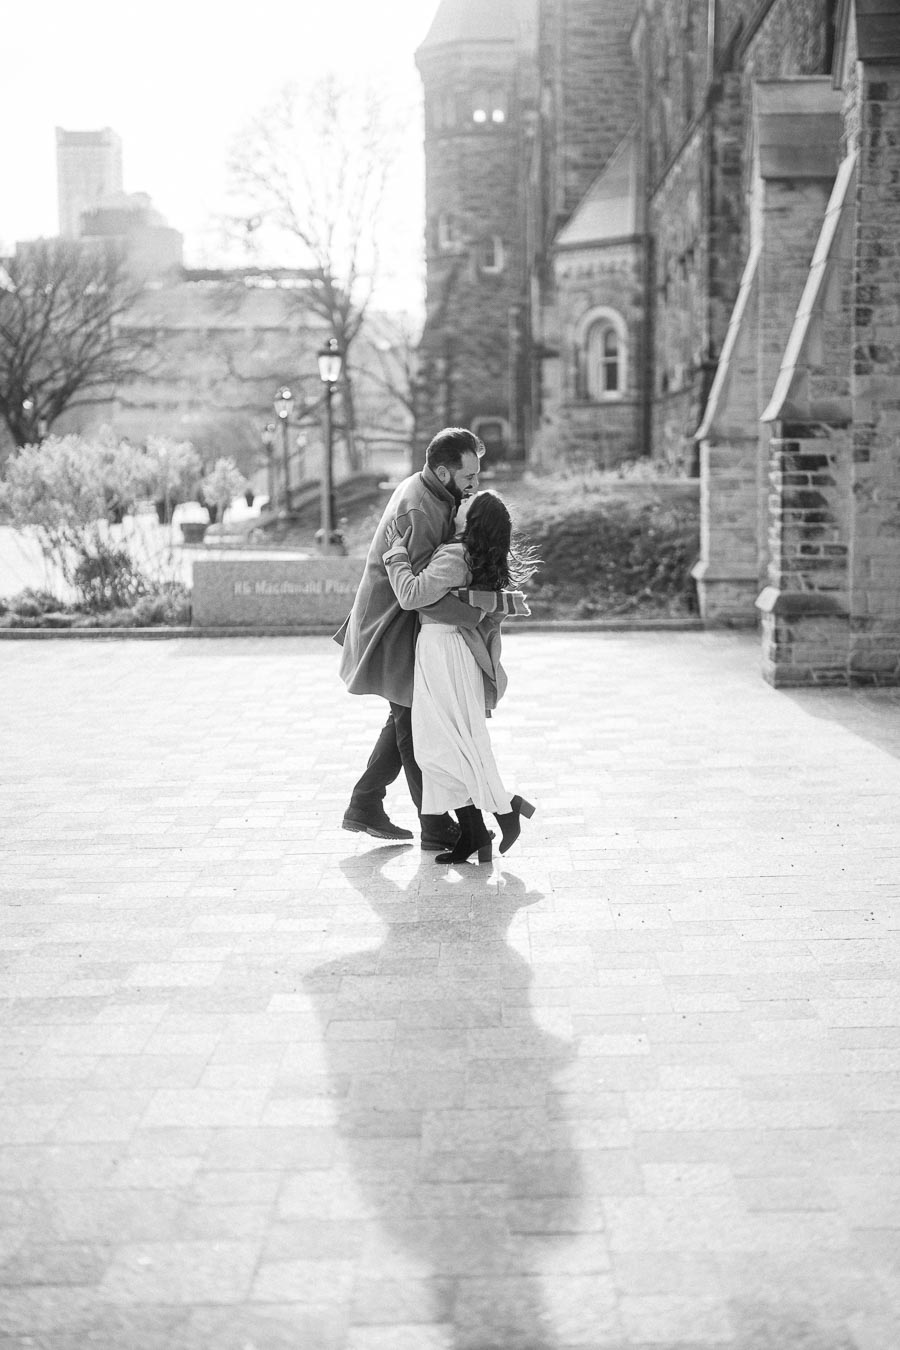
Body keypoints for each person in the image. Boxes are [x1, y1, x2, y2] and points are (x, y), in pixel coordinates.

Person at [335, 427, 485, 850]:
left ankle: (365, 804)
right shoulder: (421, 509)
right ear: (442, 471)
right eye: (469, 475)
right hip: (392, 628)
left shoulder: (433, 491)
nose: (476, 483)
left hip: (398, 626)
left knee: (404, 717)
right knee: (413, 725)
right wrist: (476, 612)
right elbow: (418, 595)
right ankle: (435, 827)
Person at [382, 489, 537, 865]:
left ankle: (503, 808)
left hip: (443, 651)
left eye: (468, 501)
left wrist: (396, 556)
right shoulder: (467, 554)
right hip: (448, 649)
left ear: (473, 518)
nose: (460, 500)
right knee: (454, 740)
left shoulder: (454, 554)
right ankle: (476, 832)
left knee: (438, 746)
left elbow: (410, 594)